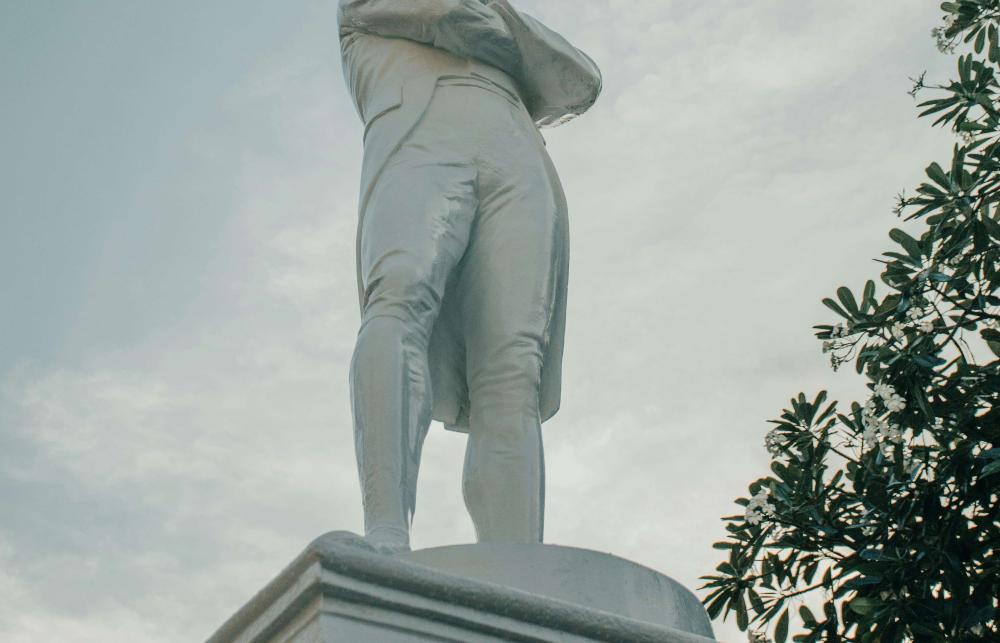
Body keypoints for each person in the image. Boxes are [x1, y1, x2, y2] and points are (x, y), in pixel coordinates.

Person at [338, 0, 601, 553]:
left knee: (513, 363)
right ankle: (386, 530)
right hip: (420, 135)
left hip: (516, 155)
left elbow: (580, 80)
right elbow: (453, 17)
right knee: (399, 298)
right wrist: (509, 43)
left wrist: (499, 21)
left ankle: (518, 560)